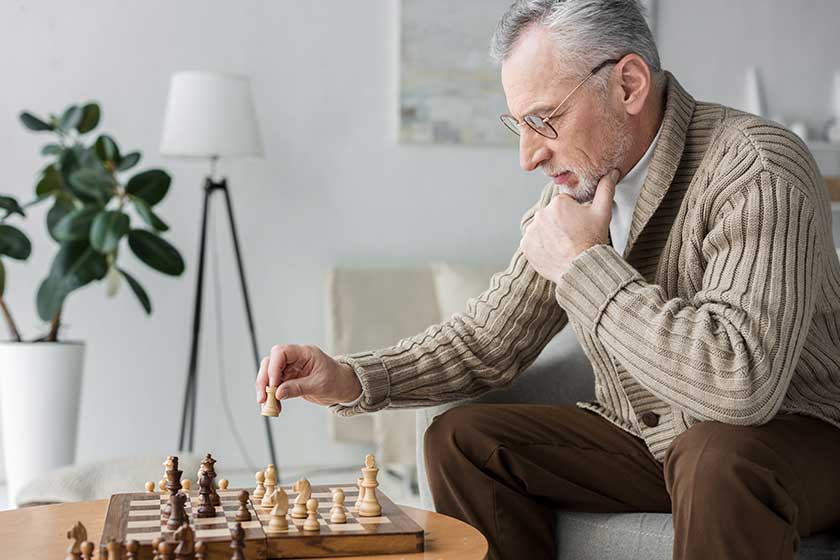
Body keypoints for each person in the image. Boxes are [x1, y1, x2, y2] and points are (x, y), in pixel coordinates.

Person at [255, 1, 840, 558]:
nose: (528, 155)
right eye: (520, 124)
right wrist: (352, 377)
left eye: (545, 120)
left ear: (628, 84)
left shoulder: (758, 165)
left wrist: (586, 266)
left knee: (717, 457)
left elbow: (742, 384)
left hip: (794, 436)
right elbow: (487, 341)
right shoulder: (582, 185)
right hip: (657, 443)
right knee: (463, 440)